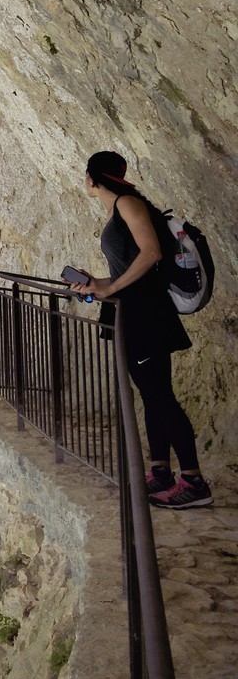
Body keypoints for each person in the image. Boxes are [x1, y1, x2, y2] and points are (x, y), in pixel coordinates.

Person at [68, 151, 211, 508]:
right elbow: (129, 267)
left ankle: (193, 482)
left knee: (161, 396)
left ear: (92, 178)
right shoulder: (119, 207)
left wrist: (112, 288)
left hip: (146, 314)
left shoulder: (128, 204)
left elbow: (151, 254)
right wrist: (97, 283)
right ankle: (160, 472)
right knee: (151, 393)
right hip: (134, 311)